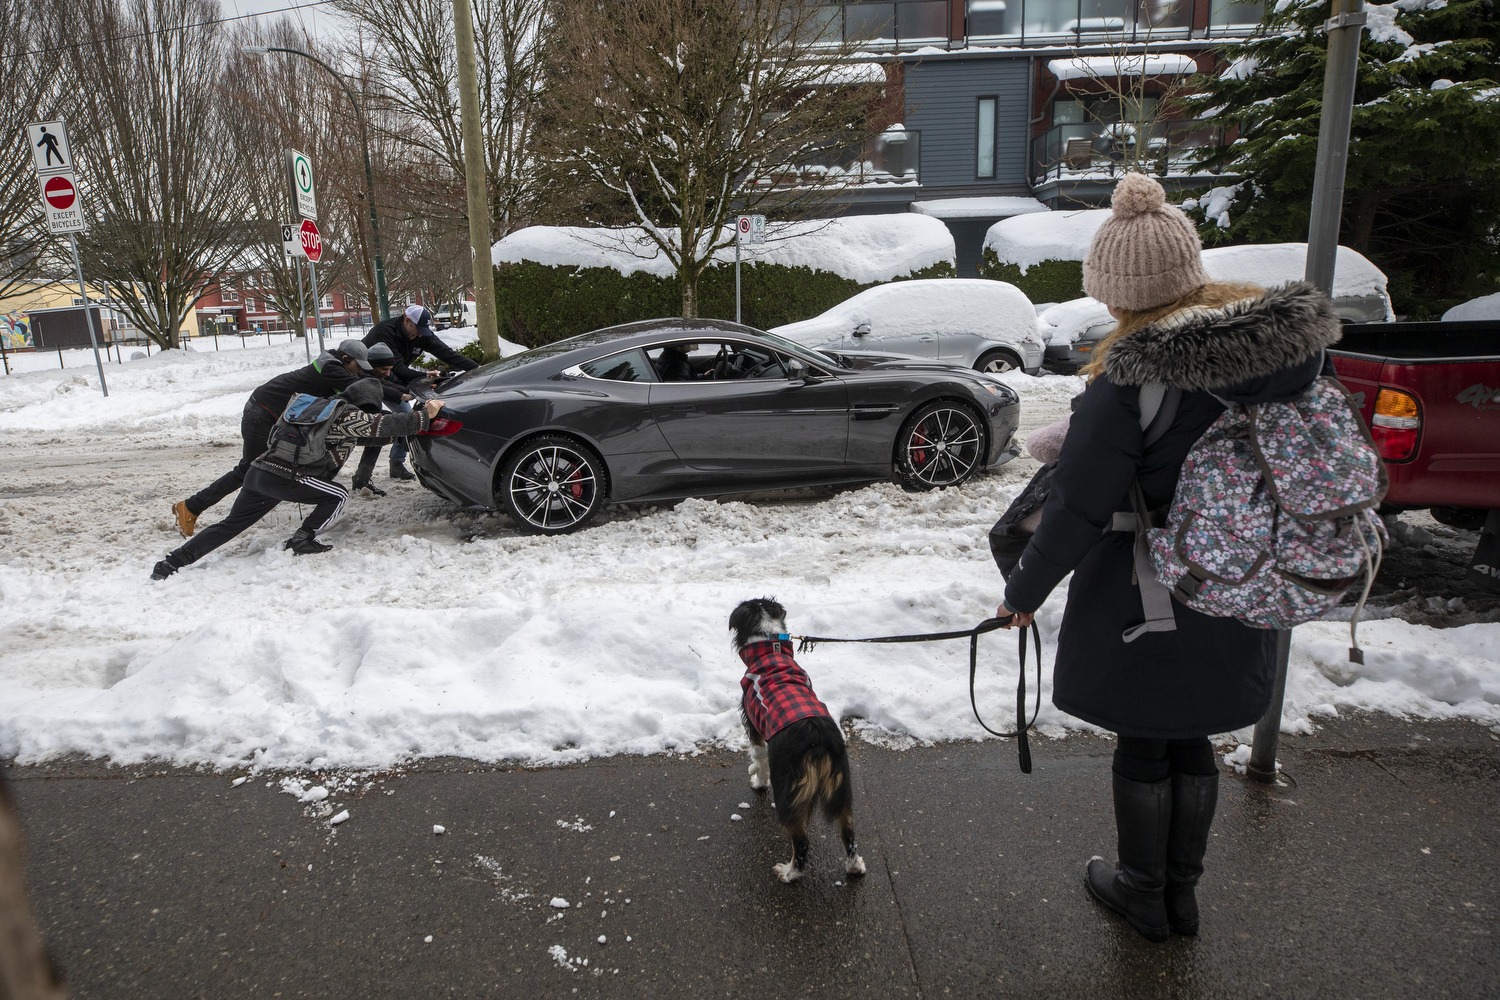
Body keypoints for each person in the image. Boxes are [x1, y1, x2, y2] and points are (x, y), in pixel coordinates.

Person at [997, 173, 1343, 942]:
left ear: (1122, 291)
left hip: (1147, 588)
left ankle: (1143, 890)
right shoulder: (1275, 356)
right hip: (1238, 573)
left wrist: (1024, 590)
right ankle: (1181, 895)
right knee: (1194, 735)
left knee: (1147, 739)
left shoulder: (1135, 377)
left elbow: (1079, 505)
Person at [152, 379, 445, 579]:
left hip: (259, 471)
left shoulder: (319, 409)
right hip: (286, 477)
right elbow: (386, 425)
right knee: (338, 495)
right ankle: (302, 538)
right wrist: (424, 415)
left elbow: (367, 438)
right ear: (366, 404)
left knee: (230, 525)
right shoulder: (350, 417)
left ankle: (171, 563)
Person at [170, 339, 375, 537]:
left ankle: (202, 509)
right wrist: (399, 395)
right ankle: (191, 507)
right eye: (358, 365)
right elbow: (357, 386)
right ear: (346, 358)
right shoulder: (333, 369)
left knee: (262, 468)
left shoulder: (338, 366)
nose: (360, 369)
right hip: (261, 412)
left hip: (269, 414)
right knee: (250, 468)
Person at [363, 305, 477, 481]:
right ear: (406, 321)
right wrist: (425, 377)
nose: (421, 334)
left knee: (407, 416)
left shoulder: (421, 333)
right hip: (369, 380)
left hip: (392, 378)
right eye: (418, 329)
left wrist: (477, 369)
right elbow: (398, 369)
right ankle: (363, 475)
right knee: (380, 423)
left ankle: (396, 463)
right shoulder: (384, 332)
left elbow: (447, 354)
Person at [350, 341, 421, 496]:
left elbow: (385, 383)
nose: (388, 373)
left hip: (351, 412)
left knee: (381, 427)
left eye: (390, 369)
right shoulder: (356, 374)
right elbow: (376, 386)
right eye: (384, 369)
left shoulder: (370, 373)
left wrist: (413, 391)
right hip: (334, 416)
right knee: (379, 427)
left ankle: (362, 479)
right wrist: (402, 395)